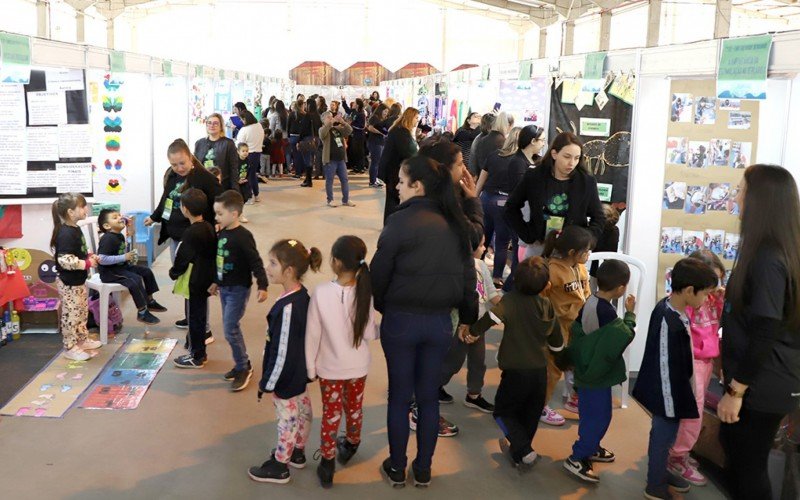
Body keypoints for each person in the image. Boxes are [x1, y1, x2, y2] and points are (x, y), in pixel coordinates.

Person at [371, 155, 477, 488]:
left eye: (401, 183)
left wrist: (382, 306)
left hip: (401, 321)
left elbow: (378, 276)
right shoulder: (456, 223)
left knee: (399, 397)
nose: (398, 189)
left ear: (417, 186)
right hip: (439, 324)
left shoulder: (399, 223)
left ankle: (397, 466)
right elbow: (468, 277)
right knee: (428, 397)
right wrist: (469, 318)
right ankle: (424, 468)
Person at [718, 164, 800, 500]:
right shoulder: (777, 248)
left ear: (760, 201)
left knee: (747, 466)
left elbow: (765, 329)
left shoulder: (768, 255)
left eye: (741, 191)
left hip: (760, 383)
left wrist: (736, 391)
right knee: (737, 455)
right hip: (763, 378)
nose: (736, 197)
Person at [633, 258, 718, 500]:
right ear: (690, 290)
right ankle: (655, 484)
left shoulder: (674, 310)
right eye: (705, 294)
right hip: (666, 396)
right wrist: (673, 404)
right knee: (662, 437)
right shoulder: (667, 320)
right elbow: (663, 366)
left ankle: (660, 473)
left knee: (667, 437)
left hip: (675, 391)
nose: (705, 300)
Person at [468, 256, 561, 468]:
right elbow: (556, 341)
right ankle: (519, 452)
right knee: (531, 413)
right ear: (546, 285)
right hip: (539, 371)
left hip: (515, 372)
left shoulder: (510, 301)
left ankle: (524, 449)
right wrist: (561, 355)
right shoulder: (547, 305)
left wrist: (473, 332)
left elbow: (491, 318)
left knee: (502, 412)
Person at [305, 235, 379, 488]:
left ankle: (327, 463)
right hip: (359, 367)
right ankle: (352, 443)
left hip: (329, 369)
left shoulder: (321, 293)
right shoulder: (365, 292)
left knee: (331, 413)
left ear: (335, 262)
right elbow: (369, 333)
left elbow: (312, 334)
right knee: (354, 407)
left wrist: (310, 367)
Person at [248, 239, 322, 484]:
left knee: (287, 418)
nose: (267, 268)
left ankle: (280, 465)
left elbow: (282, 351)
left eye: (272, 263)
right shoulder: (300, 295)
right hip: (298, 372)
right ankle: (297, 452)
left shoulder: (289, 308)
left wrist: (268, 382)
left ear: (288, 271)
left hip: (286, 375)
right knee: (303, 411)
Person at [562, 260, 636, 483]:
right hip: (595, 375)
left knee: (591, 415)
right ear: (621, 288)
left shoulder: (590, 302)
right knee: (598, 417)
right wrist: (630, 315)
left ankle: (591, 447)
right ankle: (577, 456)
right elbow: (621, 336)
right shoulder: (606, 311)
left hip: (587, 369)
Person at [147, 139, 221, 335]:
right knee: (186, 281)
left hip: (195, 238)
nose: (179, 168)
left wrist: (216, 223)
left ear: (190, 158)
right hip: (176, 234)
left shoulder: (204, 178)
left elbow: (219, 200)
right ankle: (191, 317)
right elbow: (166, 198)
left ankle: (202, 329)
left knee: (196, 283)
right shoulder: (172, 175)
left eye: (182, 163)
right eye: (174, 164)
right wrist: (154, 216)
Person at [666, 249, 725, 486]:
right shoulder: (688, 301)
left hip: (706, 361)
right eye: (711, 282)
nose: (714, 287)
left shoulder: (710, 298)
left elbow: (719, 320)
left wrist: (720, 299)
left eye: (718, 280)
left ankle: (681, 453)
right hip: (693, 362)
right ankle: (676, 457)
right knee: (692, 413)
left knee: (694, 411)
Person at [505, 132, 605, 259]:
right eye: (567, 157)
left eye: (577, 158)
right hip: (539, 246)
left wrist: (584, 241)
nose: (572, 163)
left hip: (570, 250)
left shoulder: (586, 182)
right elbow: (511, 206)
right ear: (554, 154)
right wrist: (526, 234)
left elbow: (599, 218)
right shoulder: (534, 176)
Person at [208, 190, 269, 392]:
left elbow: (255, 261)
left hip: (238, 289)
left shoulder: (244, 237)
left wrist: (263, 284)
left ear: (233, 214)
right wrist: (216, 281)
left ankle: (243, 367)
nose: (216, 217)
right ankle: (241, 364)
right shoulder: (222, 233)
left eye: (219, 213)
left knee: (230, 328)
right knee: (230, 327)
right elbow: (220, 260)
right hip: (225, 288)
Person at [477, 125, 546, 289]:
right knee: (503, 243)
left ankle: (479, 273)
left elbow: (481, 180)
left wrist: (475, 198)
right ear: (531, 141)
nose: (544, 144)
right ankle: (497, 278)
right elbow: (521, 192)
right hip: (506, 204)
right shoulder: (518, 162)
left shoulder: (495, 155)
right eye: (542, 140)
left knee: (484, 240)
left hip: (488, 199)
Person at [439, 235, 500, 413]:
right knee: (453, 361)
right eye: (481, 245)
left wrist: (508, 308)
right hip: (460, 326)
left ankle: (474, 394)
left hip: (479, 325)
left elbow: (490, 293)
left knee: (478, 362)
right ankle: (433, 387)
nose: (484, 248)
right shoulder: (455, 269)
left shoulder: (481, 266)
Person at [540, 226, 593, 426]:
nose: (588, 254)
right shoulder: (552, 270)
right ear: (572, 253)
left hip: (577, 327)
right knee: (553, 369)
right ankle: (541, 407)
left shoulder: (580, 268)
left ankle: (574, 399)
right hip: (557, 328)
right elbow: (542, 300)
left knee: (577, 362)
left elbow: (586, 293)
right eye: (586, 251)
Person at [171, 188, 217, 368]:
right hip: (206, 278)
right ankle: (196, 348)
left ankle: (197, 355)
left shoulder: (191, 232)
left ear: (185, 209)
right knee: (199, 315)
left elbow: (182, 257)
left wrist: (174, 272)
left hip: (194, 280)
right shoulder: (208, 227)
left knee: (194, 318)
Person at [51, 193, 100, 361]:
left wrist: (89, 255)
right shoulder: (65, 233)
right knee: (71, 315)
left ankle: (81, 339)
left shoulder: (75, 228)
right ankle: (69, 346)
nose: (86, 209)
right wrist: (85, 263)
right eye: (82, 206)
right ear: (71, 212)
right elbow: (65, 259)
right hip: (68, 282)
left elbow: (77, 251)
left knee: (81, 312)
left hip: (78, 280)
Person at [96, 209, 165, 324]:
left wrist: (130, 227)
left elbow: (128, 241)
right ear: (107, 226)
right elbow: (102, 259)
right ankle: (142, 312)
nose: (119, 218)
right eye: (115, 217)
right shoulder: (107, 238)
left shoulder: (119, 236)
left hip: (121, 267)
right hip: (110, 272)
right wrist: (124, 257)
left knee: (146, 271)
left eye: (119, 215)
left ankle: (150, 301)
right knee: (135, 279)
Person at [378, 107, 419, 223]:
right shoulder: (401, 132)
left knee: (392, 199)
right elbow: (409, 152)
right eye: (416, 118)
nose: (417, 121)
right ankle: (390, 224)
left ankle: (389, 224)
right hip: (394, 171)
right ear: (410, 118)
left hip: (391, 170)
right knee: (394, 199)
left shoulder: (399, 130)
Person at [194, 113, 240, 192]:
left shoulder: (228, 143)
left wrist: (235, 189)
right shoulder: (199, 143)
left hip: (221, 186)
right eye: (209, 123)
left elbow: (233, 168)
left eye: (215, 123)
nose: (212, 125)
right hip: (202, 186)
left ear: (221, 126)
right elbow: (195, 166)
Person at [319, 111, 355, 208]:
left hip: (341, 159)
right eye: (328, 118)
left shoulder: (337, 129)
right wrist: (332, 121)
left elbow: (349, 130)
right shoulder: (322, 129)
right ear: (323, 120)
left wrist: (343, 122)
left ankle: (346, 200)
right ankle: (330, 200)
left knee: (345, 180)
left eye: (332, 117)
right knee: (330, 180)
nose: (331, 119)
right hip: (330, 160)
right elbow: (322, 134)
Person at [588, 204, 621, 288]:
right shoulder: (615, 231)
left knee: (592, 290)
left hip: (595, 267)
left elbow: (593, 248)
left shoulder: (595, 232)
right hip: (610, 267)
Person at [237, 110, 266, 203]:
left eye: (241, 119)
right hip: (257, 153)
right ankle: (256, 195)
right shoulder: (259, 126)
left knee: (247, 177)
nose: (241, 121)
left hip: (247, 155)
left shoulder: (244, 130)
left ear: (245, 119)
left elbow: (240, 144)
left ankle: (249, 197)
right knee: (253, 175)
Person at [299, 99, 322, 187]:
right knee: (311, 159)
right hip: (316, 140)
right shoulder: (317, 115)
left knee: (307, 160)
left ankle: (308, 181)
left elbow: (303, 129)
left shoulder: (308, 115)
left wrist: (299, 140)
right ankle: (307, 179)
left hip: (308, 140)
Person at [341, 97, 367, 174]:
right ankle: (355, 167)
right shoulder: (353, 111)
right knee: (354, 151)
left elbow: (362, 126)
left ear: (358, 105)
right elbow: (347, 109)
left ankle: (361, 167)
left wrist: (351, 124)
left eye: (355, 103)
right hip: (353, 135)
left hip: (359, 136)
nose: (353, 104)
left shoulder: (361, 114)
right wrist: (343, 101)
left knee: (359, 151)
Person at [367, 103, 389, 188]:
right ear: (381, 110)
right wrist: (381, 133)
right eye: (385, 111)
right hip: (375, 142)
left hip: (380, 142)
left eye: (387, 112)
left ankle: (375, 179)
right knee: (375, 162)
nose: (386, 113)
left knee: (378, 162)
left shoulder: (381, 119)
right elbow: (370, 128)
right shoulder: (374, 117)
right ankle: (372, 181)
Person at [287, 100, 304, 177]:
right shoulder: (304, 114)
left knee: (295, 155)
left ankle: (297, 172)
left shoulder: (291, 114)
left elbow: (288, 126)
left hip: (292, 136)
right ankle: (301, 171)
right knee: (301, 155)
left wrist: (288, 136)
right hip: (301, 136)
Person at [235, 143, 253, 216]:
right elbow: (233, 171)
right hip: (237, 183)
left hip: (245, 182)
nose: (245, 153)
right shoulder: (235, 161)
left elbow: (250, 172)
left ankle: (240, 212)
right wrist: (237, 180)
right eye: (243, 151)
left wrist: (247, 179)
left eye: (247, 151)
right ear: (238, 151)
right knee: (238, 198)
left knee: (246, 197)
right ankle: (239, 214)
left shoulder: (248, 161)